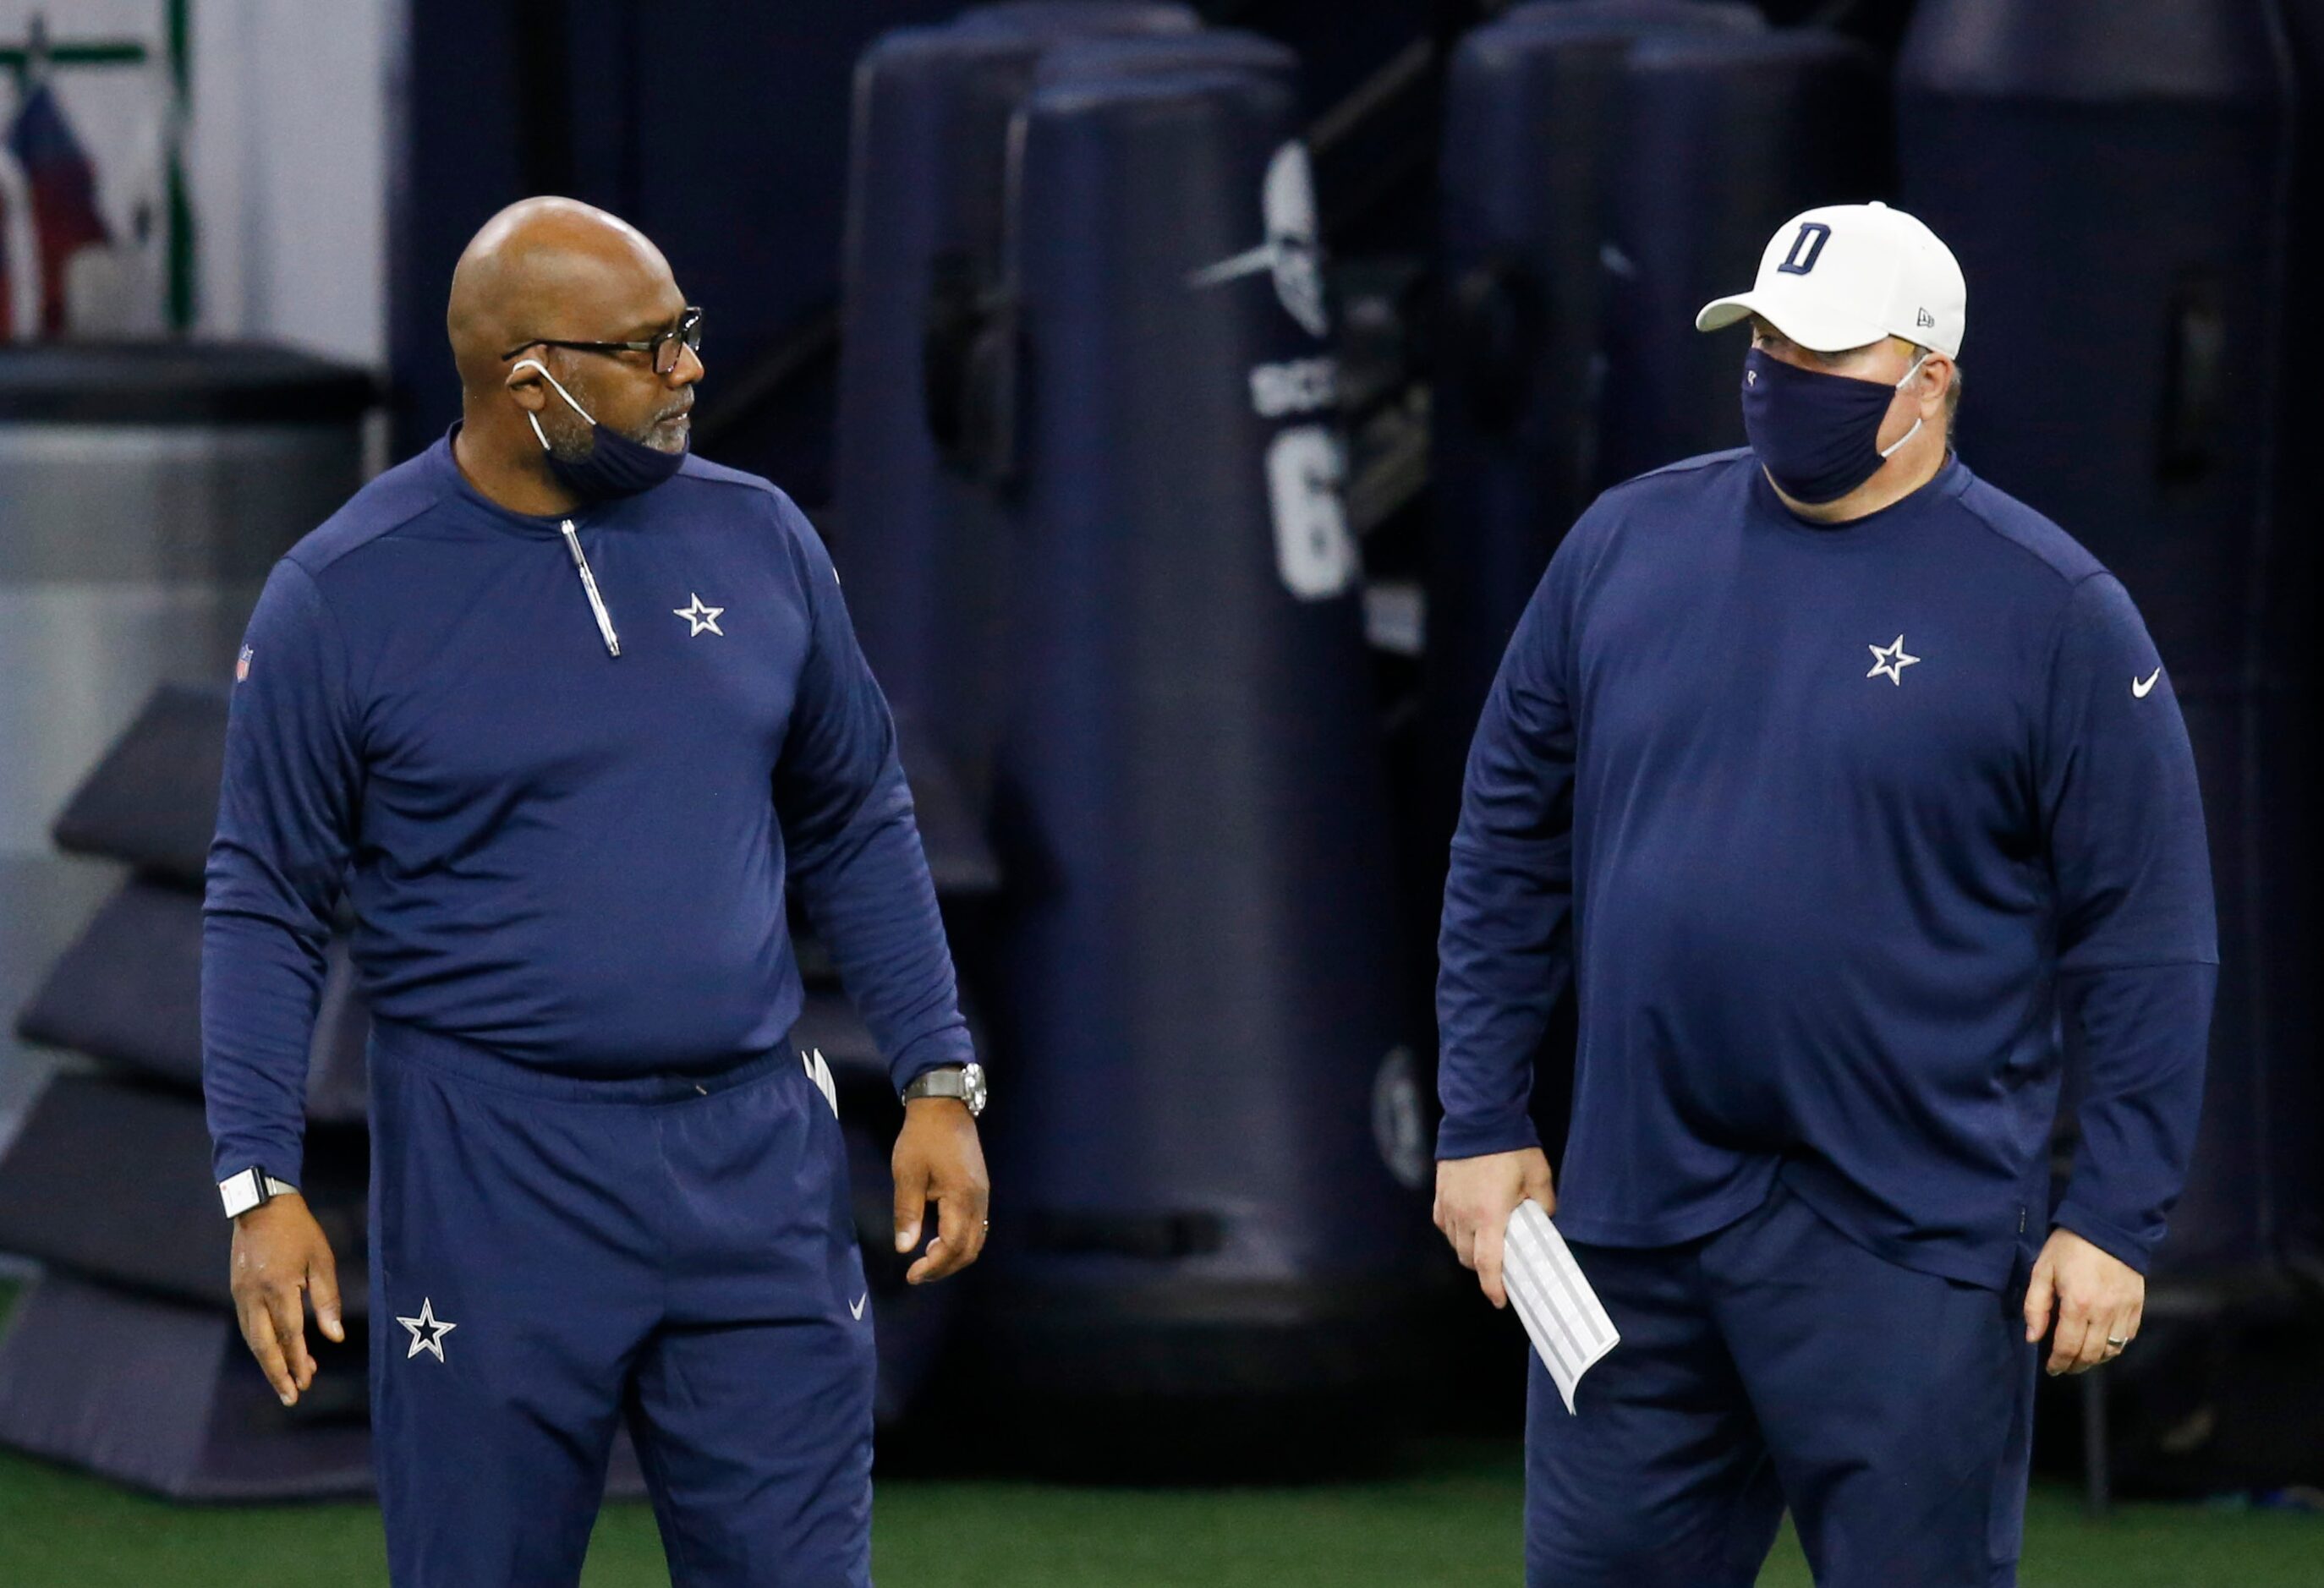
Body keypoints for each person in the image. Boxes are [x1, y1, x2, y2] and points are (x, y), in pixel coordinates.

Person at [203, 196, 990, 1586]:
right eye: (649, 346)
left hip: (756, 1163)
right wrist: (256, 1184)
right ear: (530, 377)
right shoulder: (341, 595)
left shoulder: (761, 539)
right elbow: (265, 895)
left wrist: (937, 1073)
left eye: (685, 331)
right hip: (493, 1173)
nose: (690, 368)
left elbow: (856, 810)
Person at [1430, 201, 2216, 1586]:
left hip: (1908, 1240)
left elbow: (2149, 934)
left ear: (1933, 381)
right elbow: (1505, 834)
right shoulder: (1622, 543)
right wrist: (1481, 1109)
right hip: (1632, 1218)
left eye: (1829, 352)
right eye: (1768, 339)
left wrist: (2116, 1213)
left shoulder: (2055, 611)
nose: (1781, 374)